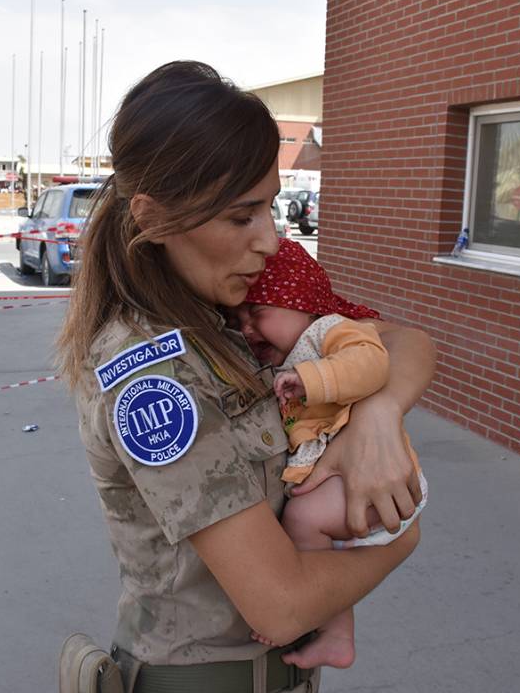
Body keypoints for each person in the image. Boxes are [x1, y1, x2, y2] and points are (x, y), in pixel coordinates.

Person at [56, 61, 434, 692]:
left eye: (271, 208)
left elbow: (403, 341)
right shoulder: (152, 377)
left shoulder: (223, 308)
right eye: (242, 216)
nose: (271, 241)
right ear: (152, 218)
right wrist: (403, 537)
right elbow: (280, 604)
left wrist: (377, 415)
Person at [234, 237, 429, 670]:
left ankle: (318, 620)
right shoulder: (283, 356)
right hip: (340, 477)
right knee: (306, 524)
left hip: (367, 476)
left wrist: (314, 379)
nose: (247, 328)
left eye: (258, 312)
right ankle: (337, 634)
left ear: (303, 303)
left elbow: (371, 361)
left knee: (302, 520)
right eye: (239, 318)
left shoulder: (329, 331)